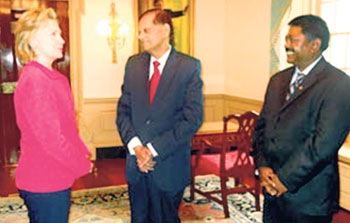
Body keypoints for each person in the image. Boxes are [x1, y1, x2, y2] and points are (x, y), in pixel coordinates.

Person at [253, 14, 350, 223]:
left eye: (293, 40)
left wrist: (284, 179)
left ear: (315, 45)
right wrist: (262, 166)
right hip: (272, 190)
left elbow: (323, 144)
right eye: (286, 39)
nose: (286, 45)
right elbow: (262, 127)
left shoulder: (339, 84)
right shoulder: (278, 80)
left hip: (308, 197)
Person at [116, 8, 203, 223]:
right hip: (136, 166)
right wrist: (137, 148)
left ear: (165, 30)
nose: (140, 36)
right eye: (139, 31)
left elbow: (192, 118)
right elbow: (123, 111)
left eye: (146, 30)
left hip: (168, 166)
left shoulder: (188, 67)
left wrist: (153, 151)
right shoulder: (133, 64)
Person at [13, 8, 92, 223]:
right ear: (33, 41)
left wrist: (82, 153)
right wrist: (82, 165)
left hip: (54, 175)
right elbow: (51, 139)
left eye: (60, 33)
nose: (62, 39)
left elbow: (68, 128)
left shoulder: (53, 78)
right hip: (43, 179)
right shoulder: (36, 80)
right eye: (53, 34)